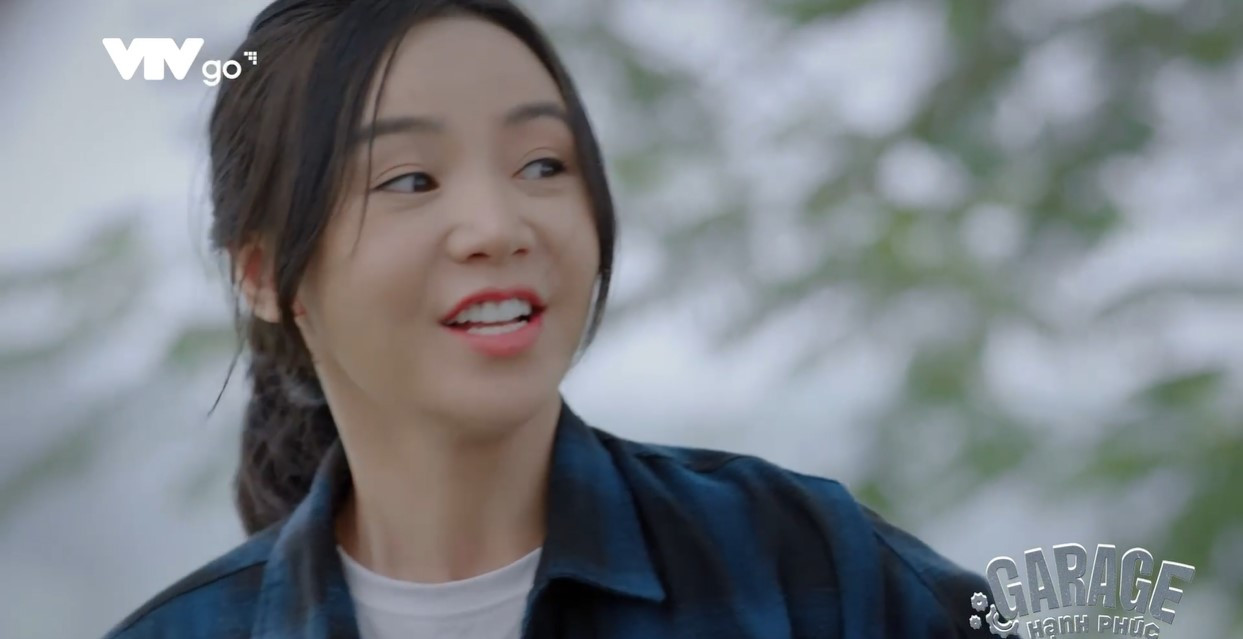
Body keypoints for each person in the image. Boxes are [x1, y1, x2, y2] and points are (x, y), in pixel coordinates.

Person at [103, 1, 995, 637]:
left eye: (541, 165)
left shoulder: (807, 569)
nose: (498, 227)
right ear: (264, 274)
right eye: (410, 179)